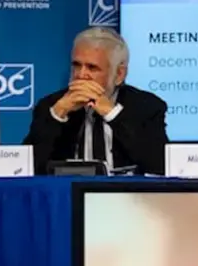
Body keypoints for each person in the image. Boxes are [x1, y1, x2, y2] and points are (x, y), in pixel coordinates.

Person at [23, 27, 169, 175]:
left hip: (126, 189)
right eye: (76, 65)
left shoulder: (147, 107)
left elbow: (159, 165)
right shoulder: (51, 106)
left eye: (92, 67)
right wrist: (57, 114)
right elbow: (26, 168)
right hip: (68, 189)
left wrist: (112, 113)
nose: (81, 75)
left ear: (119, 74)